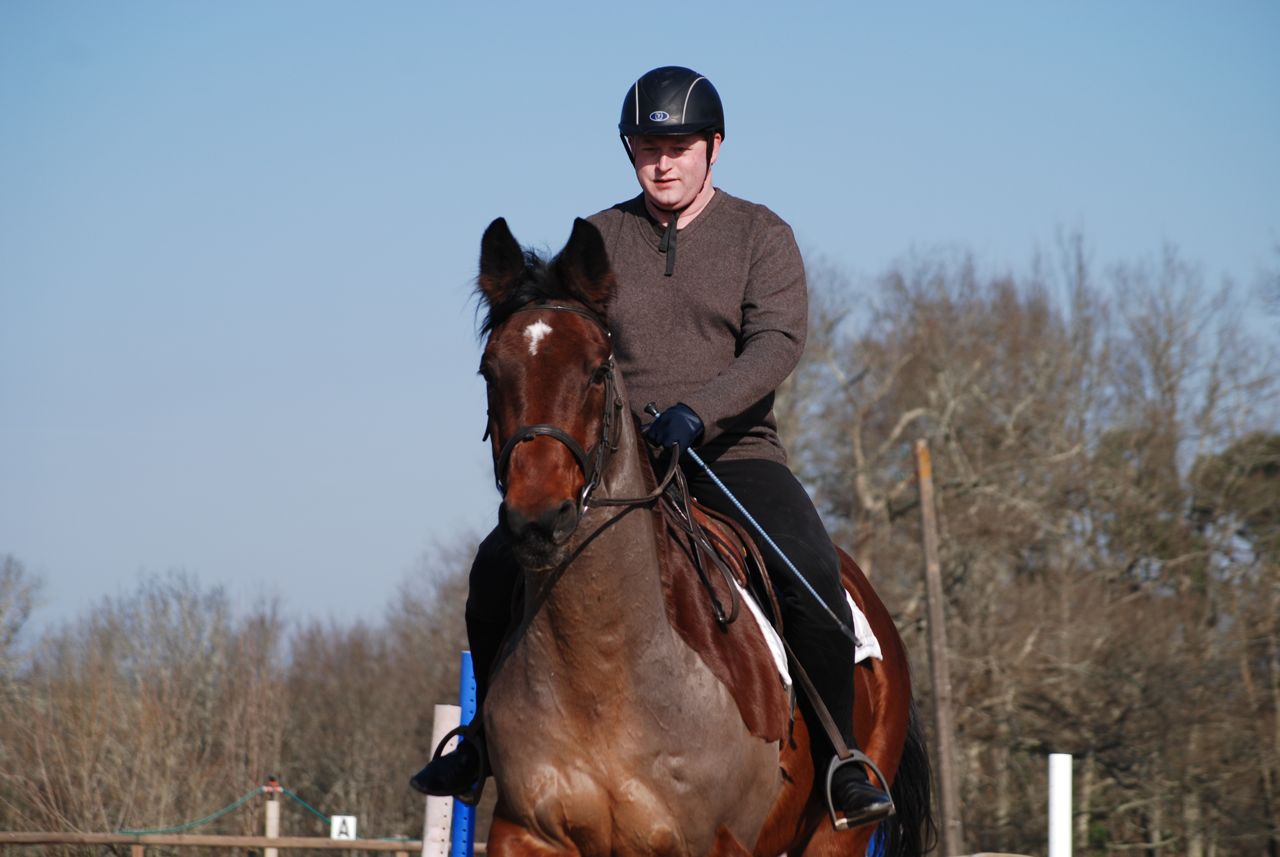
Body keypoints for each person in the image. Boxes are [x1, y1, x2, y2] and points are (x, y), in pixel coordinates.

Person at [411, 65, 892, 830]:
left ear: (714, 147)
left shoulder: (761, 234)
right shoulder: (598, 238)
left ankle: (842, 760)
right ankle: (478, 746)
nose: (662, 164)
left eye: (678, 148)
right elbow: (568, 345)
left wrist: (700, 412)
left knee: (810, 573)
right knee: (495, 565)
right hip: (617, 463)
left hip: (733, 456)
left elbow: (776, 343)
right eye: (646, 148)